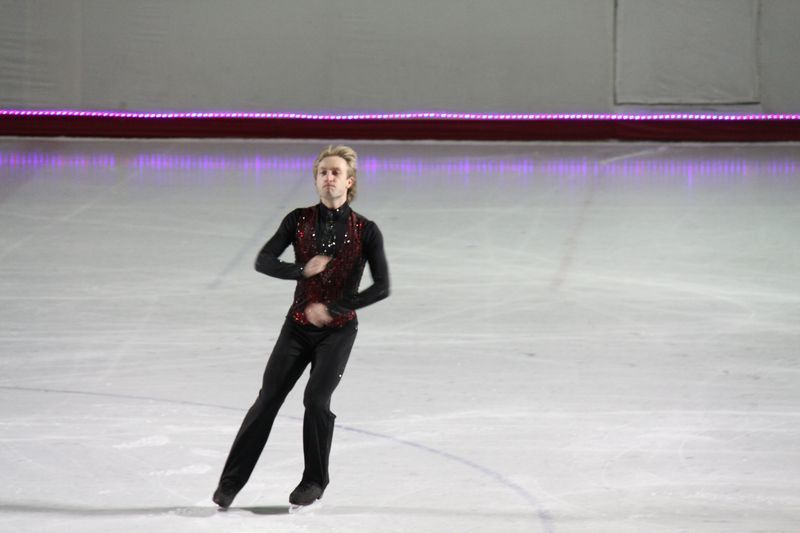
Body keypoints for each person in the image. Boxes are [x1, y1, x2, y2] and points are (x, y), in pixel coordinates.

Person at [212, 145, 390, 509]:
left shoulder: (366, 231)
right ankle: (230, 483)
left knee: (316, 401)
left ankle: (314, 481)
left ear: (349, 181)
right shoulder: (298, 220)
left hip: (338, 332)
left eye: (336, 172)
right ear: (316, 180)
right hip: (296, 328)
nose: (329, 177)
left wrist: (337, 307)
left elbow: (382, 286)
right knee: (266, 401)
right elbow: (264, 260)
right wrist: (300, 270)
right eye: (323, 172)